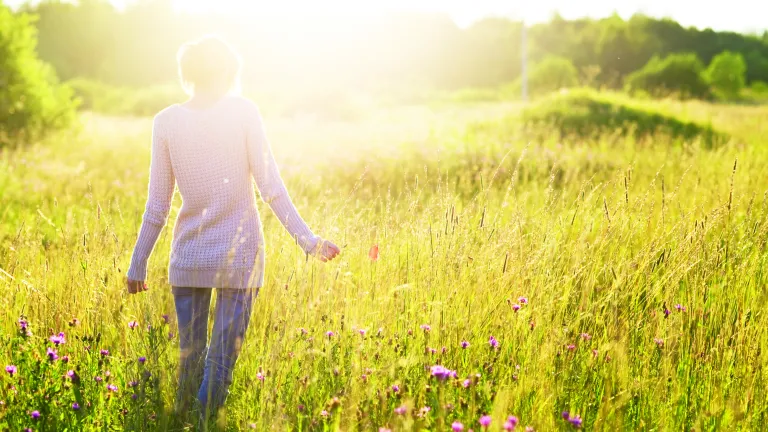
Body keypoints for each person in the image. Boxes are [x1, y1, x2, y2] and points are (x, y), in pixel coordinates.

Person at [125, 35, 340, 424]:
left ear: (187, 73)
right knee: (220, 362)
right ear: (228, 70)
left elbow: (157, 205)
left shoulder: (167, 121)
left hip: (188, 257)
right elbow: (271, 187)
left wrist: (138, 263)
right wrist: (308, 241)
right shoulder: (243, 113)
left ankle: (182, 422)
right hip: (240, 258)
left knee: (189, 364)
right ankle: (204, 424)